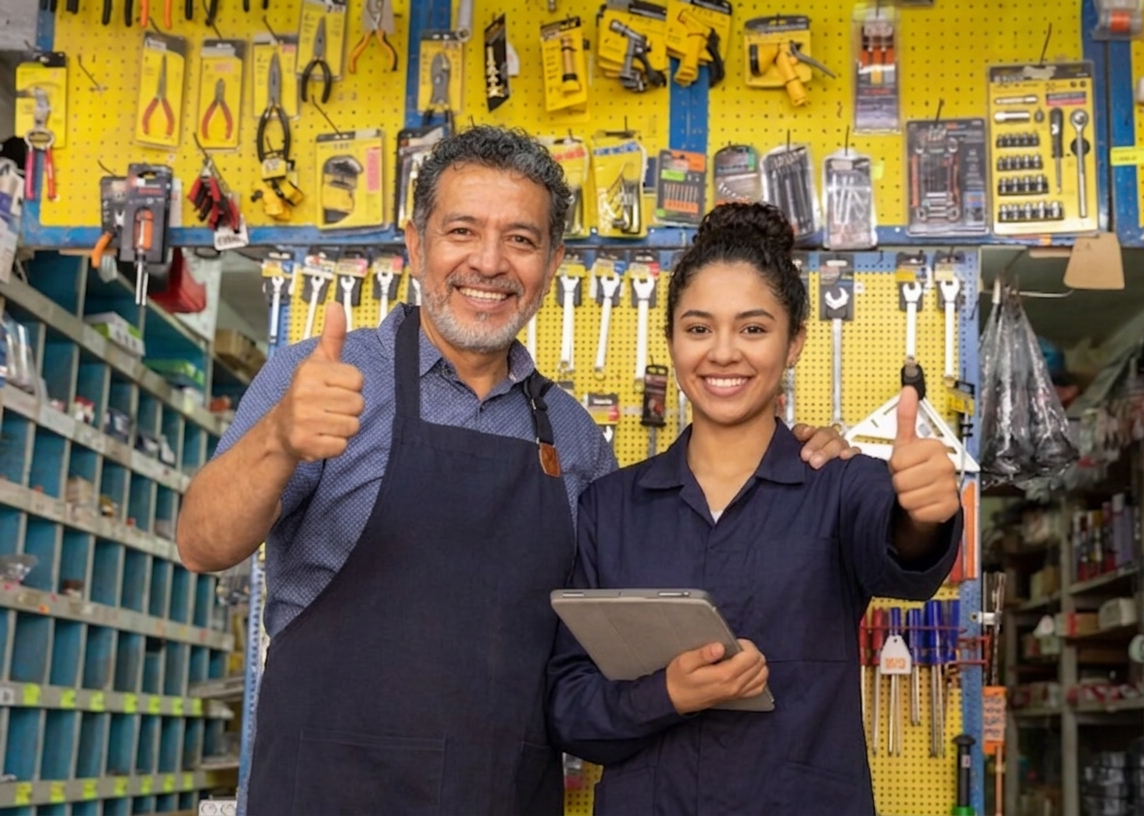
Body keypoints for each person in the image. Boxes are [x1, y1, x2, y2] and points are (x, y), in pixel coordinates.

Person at [175, 126, 854, 815]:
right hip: (324, 794)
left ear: (552, 262)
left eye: (521, 240)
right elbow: (201, 545)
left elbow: (607, 659)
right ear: (415, 244)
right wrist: (278, 441)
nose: (489, 262)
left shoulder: (576, 439)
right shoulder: (322, 378)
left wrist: (793, 453)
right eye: (462, 231)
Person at [546, 202, 963, 816]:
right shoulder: (611, 508)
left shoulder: (841, 487)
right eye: (698, 329)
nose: (722, 353)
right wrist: (665, 695)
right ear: (671, 341)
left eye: (753, 329)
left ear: (794, 343)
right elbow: (569, 709)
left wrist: (924, 514)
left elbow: (902, 556)